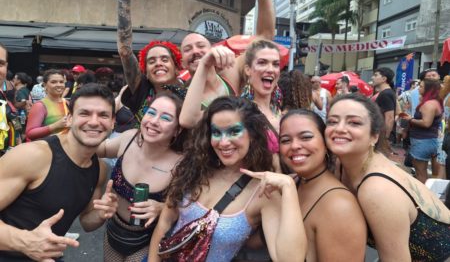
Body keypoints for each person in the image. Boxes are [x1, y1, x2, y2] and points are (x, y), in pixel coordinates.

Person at [149, 96, 307, 262]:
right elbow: (164, 223)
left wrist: (288, 187)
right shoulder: (194, 169)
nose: (223, 142)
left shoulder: (263, 192)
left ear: (251, 134)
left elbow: (291, 259)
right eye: (216, 133)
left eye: (233, 132)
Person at [0, 83, 119, 261]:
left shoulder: (100, 170)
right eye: (84, 113)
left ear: (112, 123)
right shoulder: (33, 155)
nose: (94, 122)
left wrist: (102, 214)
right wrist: (26, 242)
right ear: (69, 118)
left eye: (103, 115)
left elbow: (86, 222)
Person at [325, 93, 450, 261]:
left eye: (354, 122)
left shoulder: (377, 189)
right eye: (332, 121)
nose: (339, 128)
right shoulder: (342, 166)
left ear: (374, 136)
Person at [96, 93, 184, 261]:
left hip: (146, 243)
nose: (154, 121)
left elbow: (192, 209)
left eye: (165, 118)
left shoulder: (181, 163)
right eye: (151, 113)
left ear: (177, 130)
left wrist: (162, 207)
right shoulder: (129, 138)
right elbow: (99, 149)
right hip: (112, 232)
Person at [279, 109, 366, 261]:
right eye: (285, 140)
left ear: (326, 143)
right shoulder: (290, 183)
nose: (294, 146)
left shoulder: (340, 207)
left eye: (306, 137)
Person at [113, 0, 184, 122]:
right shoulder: (141, 89)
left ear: (177, 66)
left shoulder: (191, 91)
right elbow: (125, 50)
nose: (158, 63)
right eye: (151, 61)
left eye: (165, 59)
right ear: (145, 71)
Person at [402, 79, 444, 183]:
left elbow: (426, 123)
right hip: (430, 140)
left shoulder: (429, 104)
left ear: (428, 89)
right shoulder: (435, 102)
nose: (418, 88)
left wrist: (410, 119)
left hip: (423, 141)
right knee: (430, 173)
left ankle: (423, 196)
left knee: (421, 173)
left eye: (421, 86)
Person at [25, 69, 69, 141]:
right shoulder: (40, 105)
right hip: (46, 149)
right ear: (45, 85)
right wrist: (55, 125)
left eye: (61, 82)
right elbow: (30, 133)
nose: (59, 85)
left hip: (67, 148)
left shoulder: (67, 103)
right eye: (53, 82)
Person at [371, 67, 396, 141]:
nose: (372, 77)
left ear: (384, 79)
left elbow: (389, 118)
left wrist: (385, 138)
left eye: (375, 75)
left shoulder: (386, 94)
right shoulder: (387, 92)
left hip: (382, 135)